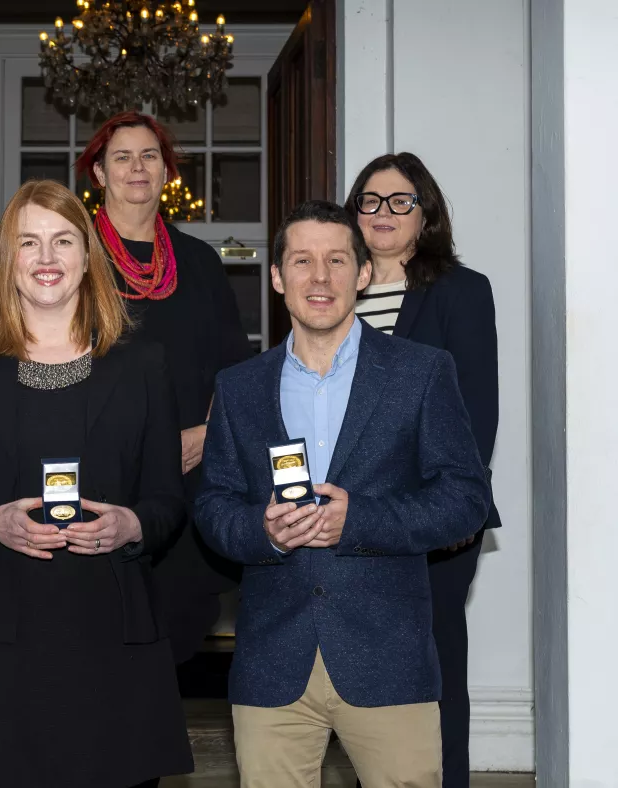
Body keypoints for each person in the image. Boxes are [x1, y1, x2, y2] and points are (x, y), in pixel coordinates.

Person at [195, 200, 491, 788]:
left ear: (362, 273)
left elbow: (465, 497)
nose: (320, 277)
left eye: (336, 259)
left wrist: (359, 520)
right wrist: (262, 530)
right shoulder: (239, 388)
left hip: (388, 659)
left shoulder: (421, 372)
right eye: (302, 261)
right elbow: (213, 504)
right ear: (278, 277)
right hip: (273, 662)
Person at [0, 179, 195, 788]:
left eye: (63, 241)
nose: (47, 259)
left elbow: (168, 502)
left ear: (87, 256)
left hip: (112, 641)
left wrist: (133, 524)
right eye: (29, 243)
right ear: (6, 261)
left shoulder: (143, 364)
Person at [74, 110, 251, 665]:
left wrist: (204, 434)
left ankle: (155, 749)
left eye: (149, 155)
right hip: (101, 475)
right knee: (97, 631)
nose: (137, 167)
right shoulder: (73, 257)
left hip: (189, 473)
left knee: (178, 625)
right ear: (99, 173)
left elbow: (235, 369)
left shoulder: (198, 260)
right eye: (121, 156)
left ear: (167, 170)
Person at [345, 152, 499, 788]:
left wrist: (455, 505)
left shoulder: (461, 291)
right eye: (371, 201)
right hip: (348, 512)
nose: (384, 214)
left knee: (434, 664)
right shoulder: (334, 286)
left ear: (425, 212)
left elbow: (477, 408)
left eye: (400, 201)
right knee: (360, 666)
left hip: (435, 518)